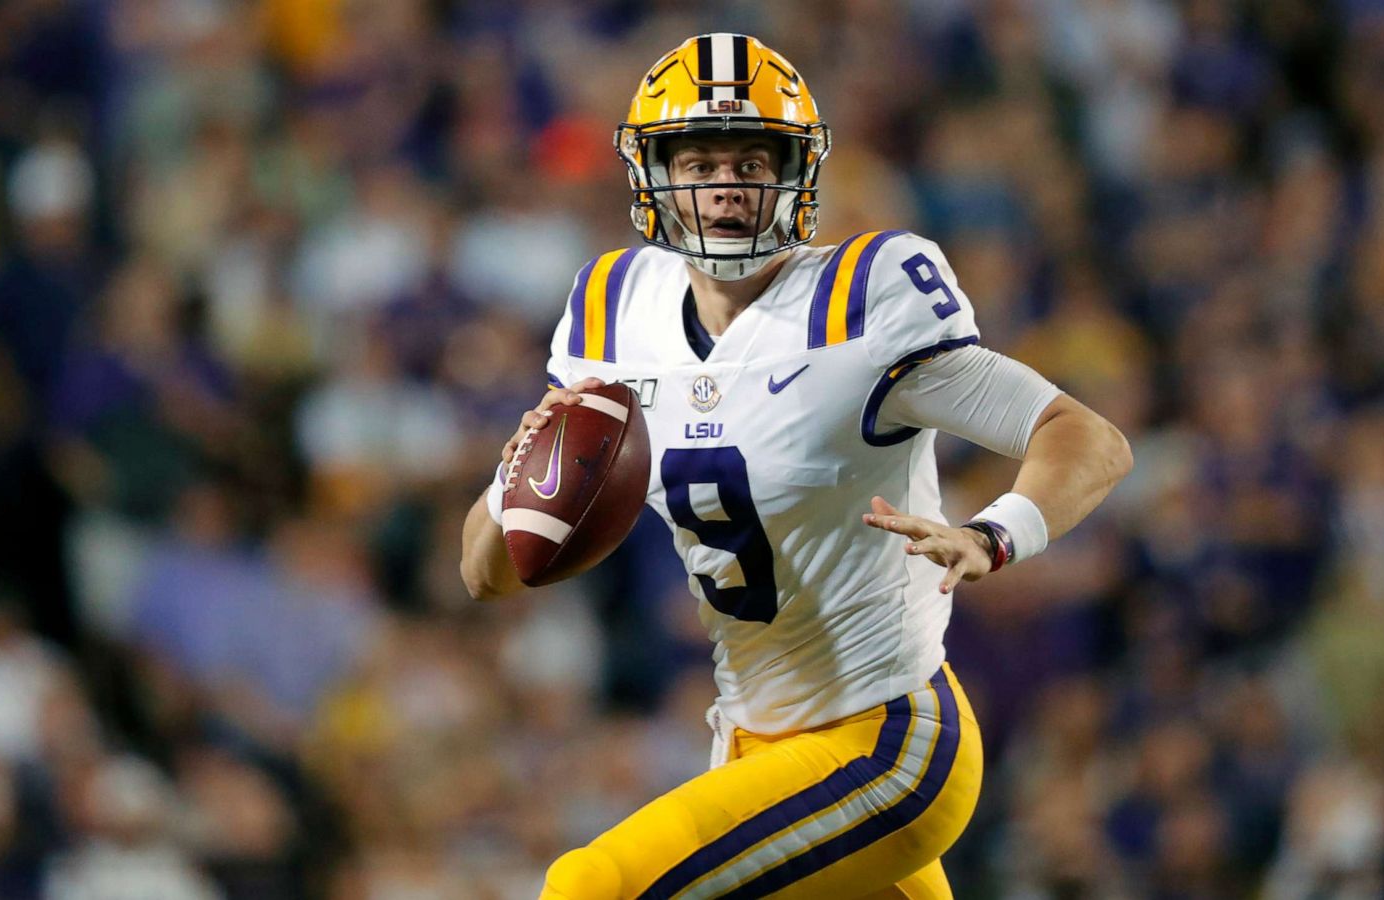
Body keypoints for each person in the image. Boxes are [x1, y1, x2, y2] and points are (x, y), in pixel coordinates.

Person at [460, 33, 1132, 899]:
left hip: (887, 741)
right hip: (749, 742)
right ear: (653, 176)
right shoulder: (611, 312)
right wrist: (525, 475)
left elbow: (1085, 437)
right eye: (699, 161)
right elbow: (485, 575)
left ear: (796, 173)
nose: (727, 185)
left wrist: (995, 532)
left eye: (752, 159)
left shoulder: (865, 298)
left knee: (594, 887)